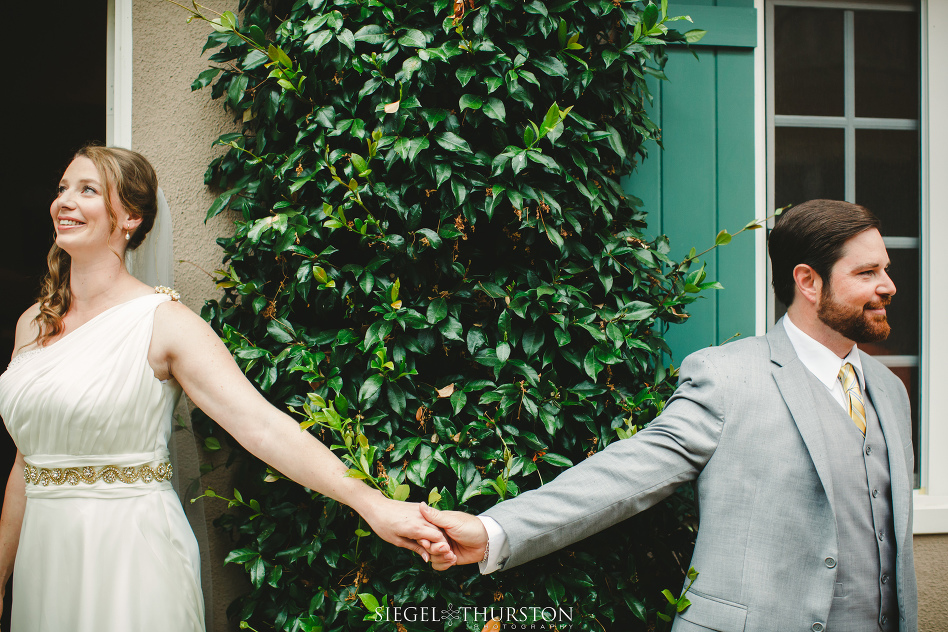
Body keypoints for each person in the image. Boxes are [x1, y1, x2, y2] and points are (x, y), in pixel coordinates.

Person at [0, 145, 444, 632]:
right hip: (46, 556)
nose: (65, 200)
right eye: (62, 188)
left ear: (130, 216)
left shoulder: (164, 323)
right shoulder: (33, 325)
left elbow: (264, 427)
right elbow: (27, 462)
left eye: (87, 190)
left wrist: (373, 504)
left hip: (128, 551)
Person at [422, 200, 918, 632]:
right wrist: (495, 531)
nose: (889, 286)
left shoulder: (890, 392)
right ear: (808, 282)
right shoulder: (728, 377)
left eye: (886, 269)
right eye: (867, 273)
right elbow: (627, 473)